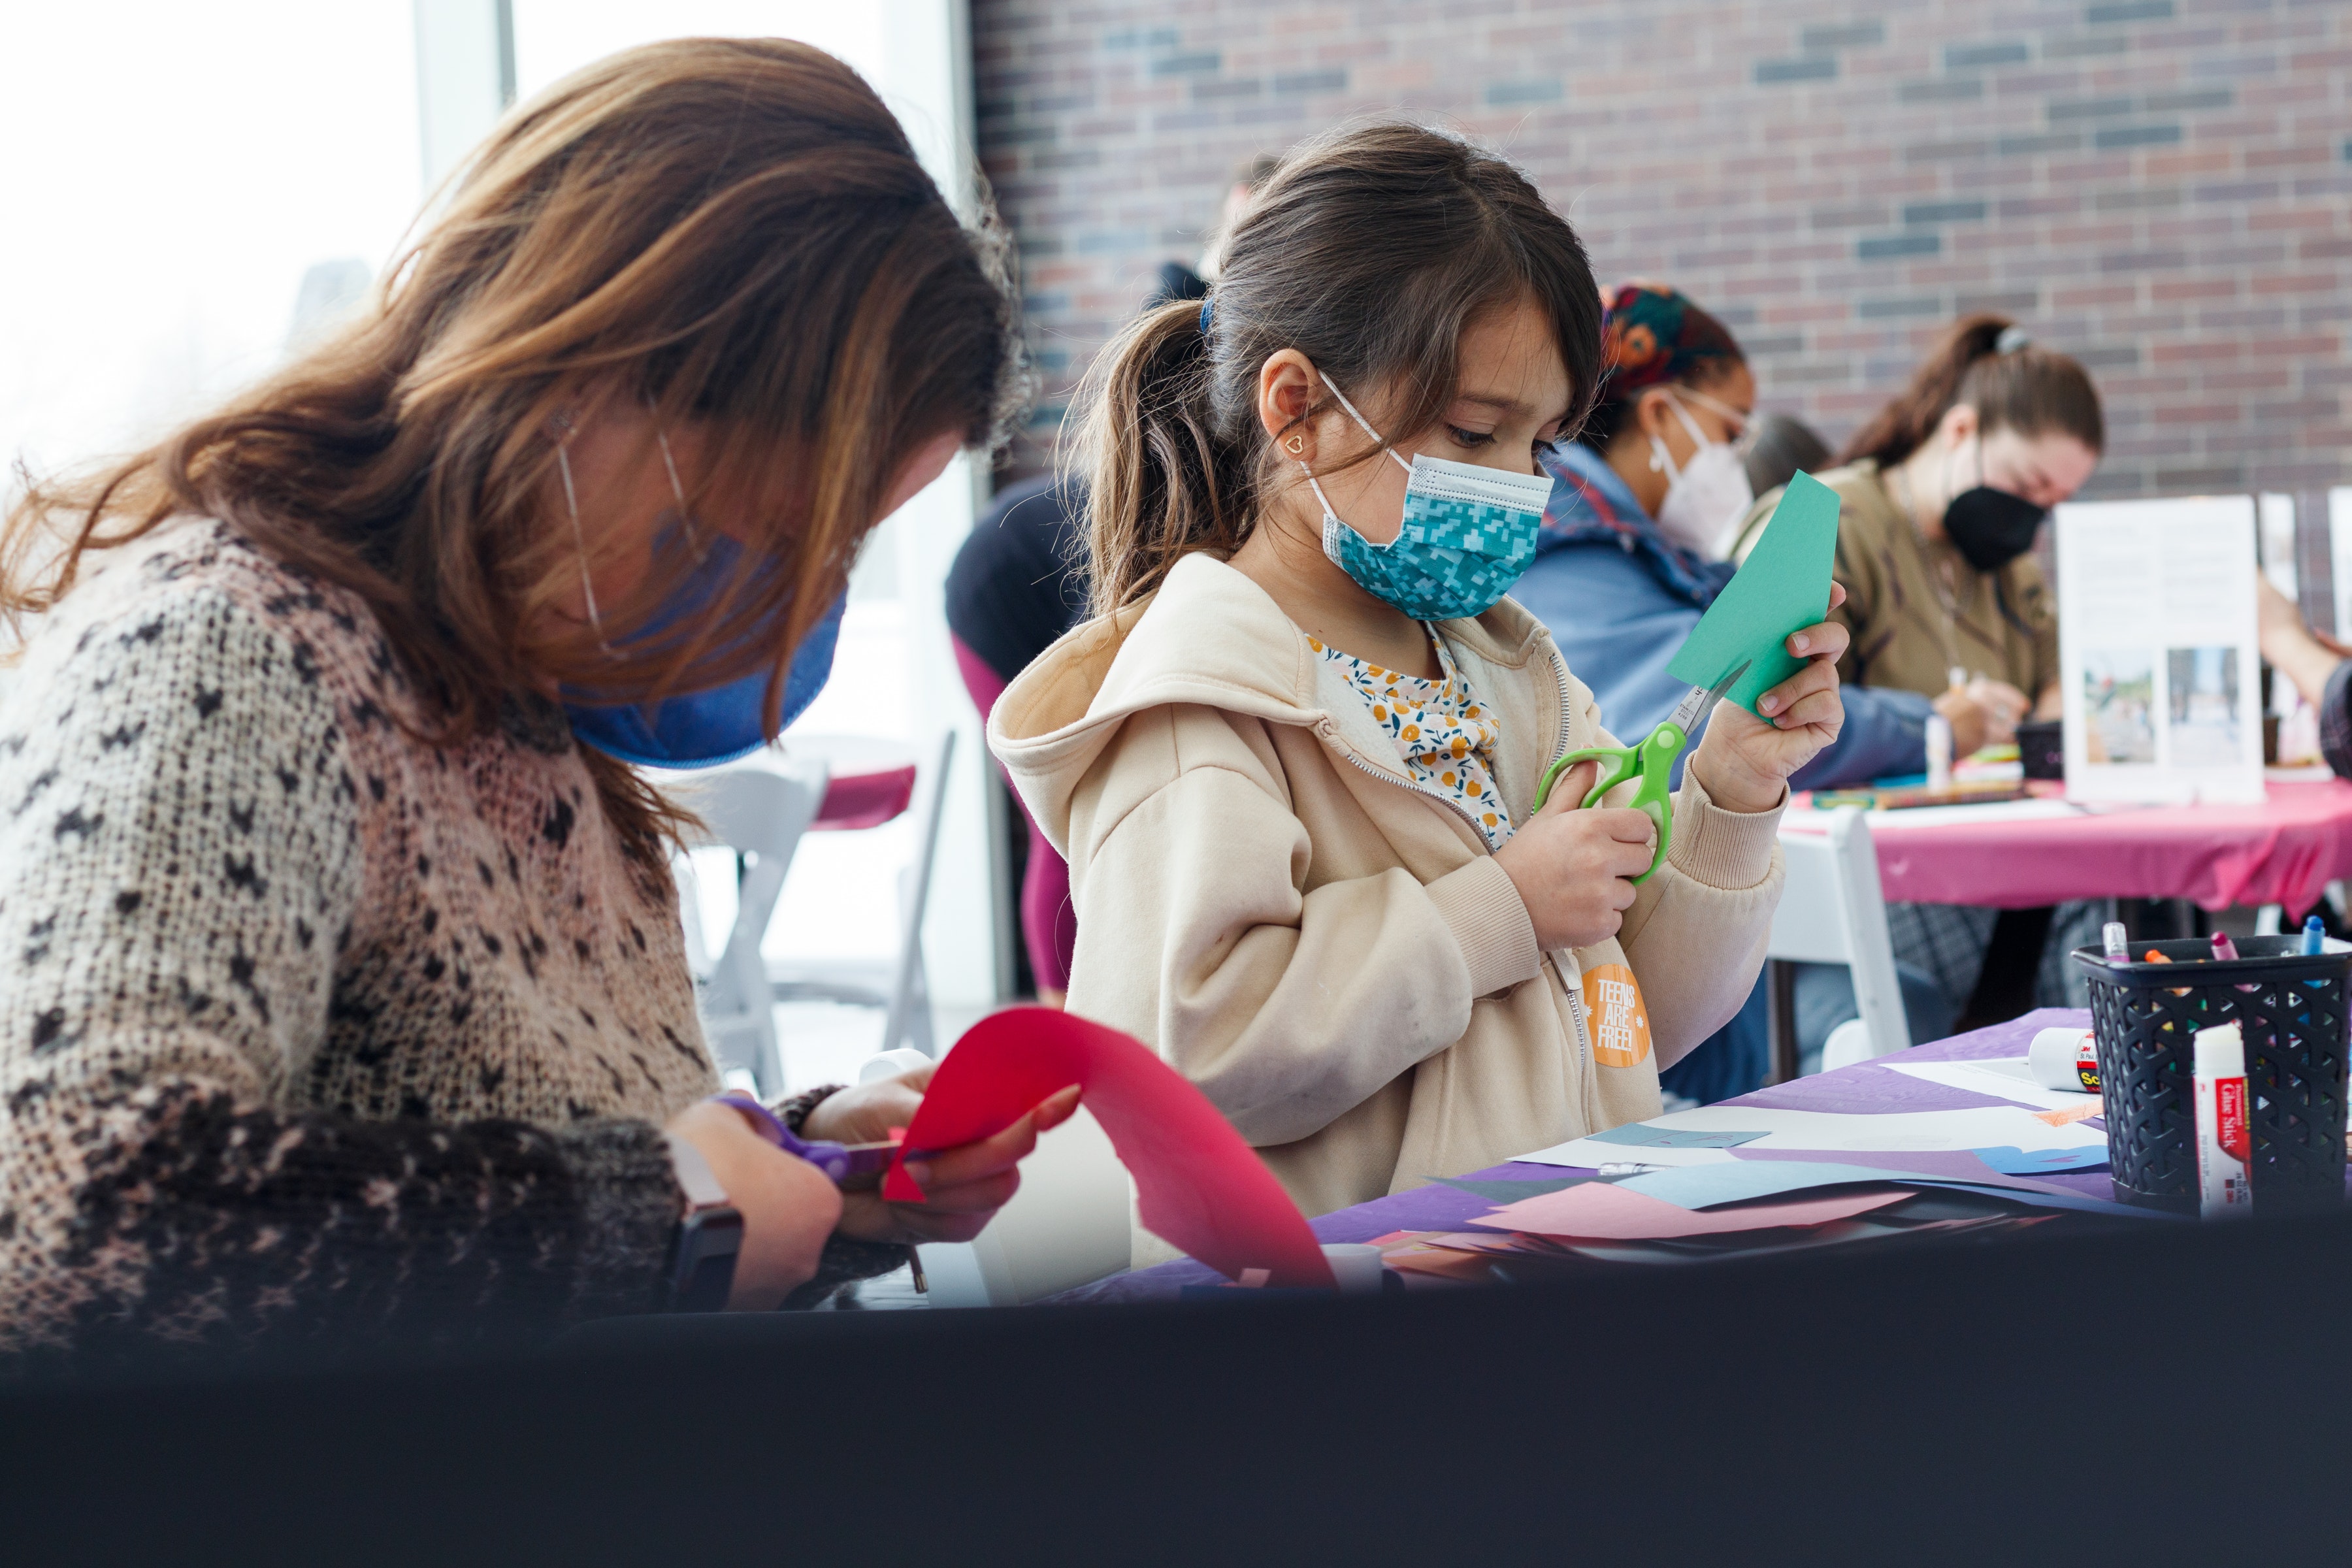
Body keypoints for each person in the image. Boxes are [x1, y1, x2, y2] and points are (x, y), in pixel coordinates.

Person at [0, 40, 1077, 1363]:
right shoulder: (233, 657)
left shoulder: (535, 718)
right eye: (798, 521)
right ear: (599, 379)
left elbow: (489, 1171)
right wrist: (676, 1208)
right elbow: (76, 1210)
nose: (802, 599)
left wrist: (807, 1175)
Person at [988, 123, 1849, 1235]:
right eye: (1475, 432)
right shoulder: (1199, 704)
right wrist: (1501, 910)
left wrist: (1732, 790)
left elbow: (1639, 1018)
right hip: (1344, 1342)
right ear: (1294, 408)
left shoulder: (1510, 671)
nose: (1514, 488)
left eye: (1540, 448)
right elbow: (1191, 1057)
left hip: (1541, 1275)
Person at [1510, 284, 1942, 1101]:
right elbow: (1709, 699)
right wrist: (1929, 728)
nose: (1740, 459)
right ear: (1663, 414)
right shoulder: (1568, 547)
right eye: (1731, 429)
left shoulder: (1631, 552)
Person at [1733, 316, 2108, 1037]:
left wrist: (2056, 710)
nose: (2033, 519)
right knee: (2100, 905)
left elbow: (2064, 676)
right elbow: (1752, 695)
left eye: (2055, 504)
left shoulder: (2009, 574)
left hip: (1985, 864)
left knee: (2118, 891)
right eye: (2028, 485)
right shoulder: (1821, 522)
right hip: (1855, 876)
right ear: (1961, 430)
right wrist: (1938, 722)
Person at [946, 475, 1087, 1002]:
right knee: (1061, 817)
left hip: (1051, 578)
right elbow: (1089, 663)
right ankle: (1064, 1026)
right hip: (990, 601)